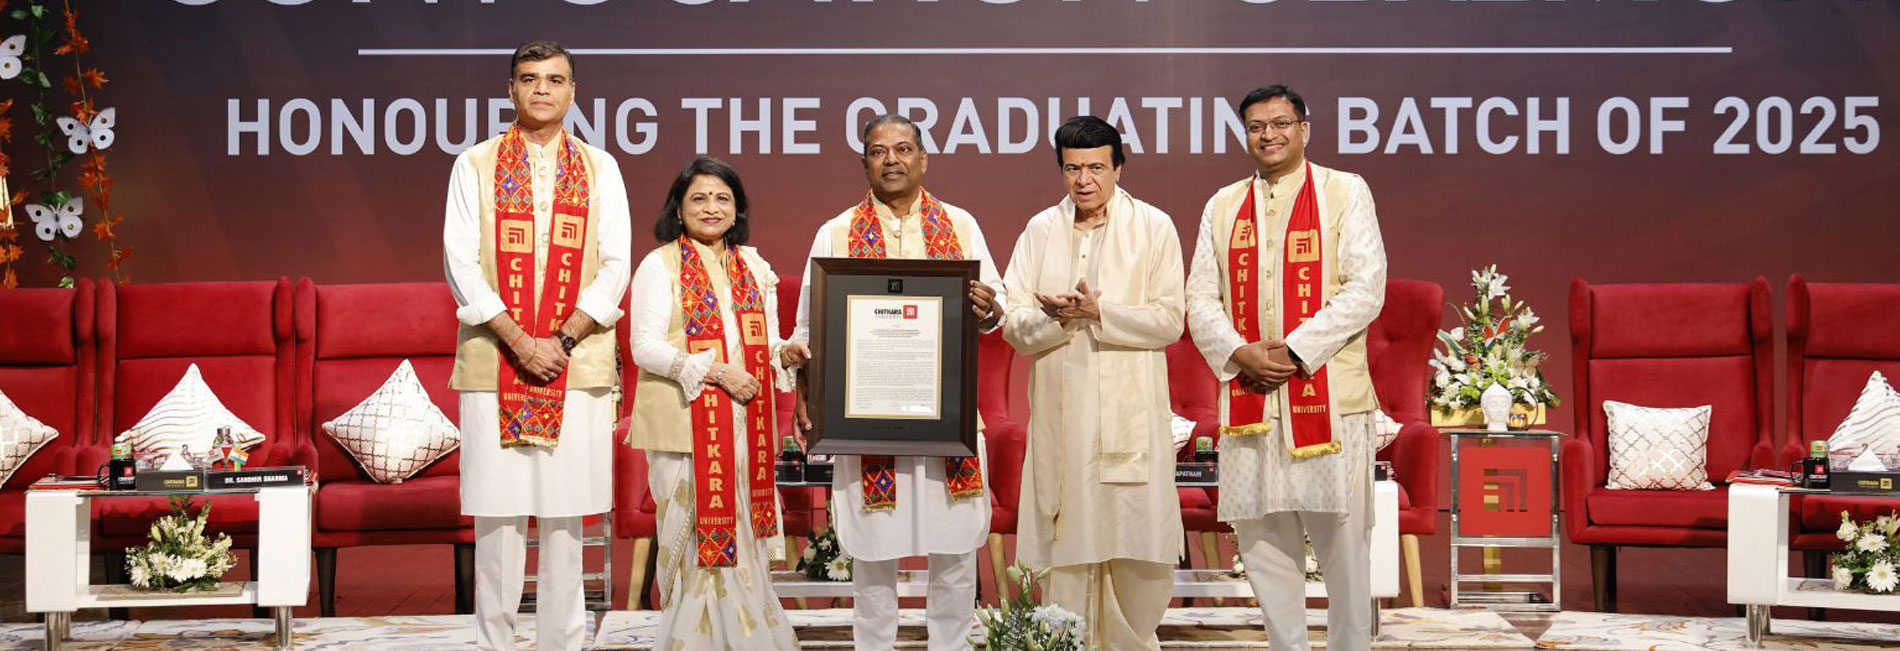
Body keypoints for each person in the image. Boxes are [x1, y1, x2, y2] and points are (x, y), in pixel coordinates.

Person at [780, 114, 1005, 651]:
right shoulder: (836, 232)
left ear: (923, 159)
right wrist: (804, 388)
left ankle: (952, 644)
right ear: (864, 163)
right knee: (873, 554)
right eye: (879, 151)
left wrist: (990, 307)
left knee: (954, 550)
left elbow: (999, 307)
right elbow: (810, 328)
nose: (892, 160)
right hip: (867, 420)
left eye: (903, 149)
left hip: (946, 417)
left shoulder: (961, 225)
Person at [441, 40, 631, 651]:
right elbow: (460, 265)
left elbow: (616, 265)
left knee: (565, 518)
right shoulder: (473, 165)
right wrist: (521, 341)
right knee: (496, 518)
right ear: (511, 89)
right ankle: (494, 643)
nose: (542, 89)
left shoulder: (601, 167)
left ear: (573, 92)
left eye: (555, 79)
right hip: (495, 359)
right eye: (530, 79)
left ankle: (562, 643)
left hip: (577, 362)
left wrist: (562, 338)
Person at [1184, 84, 1388, 651]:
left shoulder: (1344, 190)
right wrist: (1239, 352)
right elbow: (1199, 297)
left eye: (1280, 123)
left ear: (1305, 129)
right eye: (1256, 127)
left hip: (1330, 399)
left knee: (1344, 548)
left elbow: (1366, 288)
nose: (1268, 135)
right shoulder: (1223, 205)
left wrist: (1295, 350)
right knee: (1263, 546)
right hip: (1251, 400)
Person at [1000, 115, 1185, 650]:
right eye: (1072, 168)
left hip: (1131, 417)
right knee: (1067, 543)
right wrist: (1059, 319)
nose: (1084, 180)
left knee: (1134, 541)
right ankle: (1065, 641)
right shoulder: (1040, 230)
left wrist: (1100, 311)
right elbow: (1013, 323)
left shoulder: (1154, 227)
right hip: (1064, 417)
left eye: (1096, 168)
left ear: (1118, 168)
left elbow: (1169, 320)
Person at [626, 157, 800, 649]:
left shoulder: (755, 268)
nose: (711, 207)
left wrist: (786, 352)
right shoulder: (659, 265)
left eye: (723, 198)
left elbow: (764, 343)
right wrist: (717, 372)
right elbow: (645, 347)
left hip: (745, 421)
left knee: (741, 535)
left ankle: (745, 636)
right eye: (699, 198)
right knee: (693, 543)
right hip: (683, 421)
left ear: (737, 209)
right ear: (678, 208)